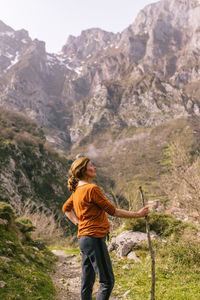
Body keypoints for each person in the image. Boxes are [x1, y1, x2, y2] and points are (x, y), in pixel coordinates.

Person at [62, 157, 149, 300]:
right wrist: (138, 214)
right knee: (107, 282)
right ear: (84, 170)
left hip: (83, 239)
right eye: (91, 165)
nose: (94, 167)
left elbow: (66, 208)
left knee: (87, 282)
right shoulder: (91, 189)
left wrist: (78, 223)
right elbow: (113, 211)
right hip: (94, 237)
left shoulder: (77, 190)